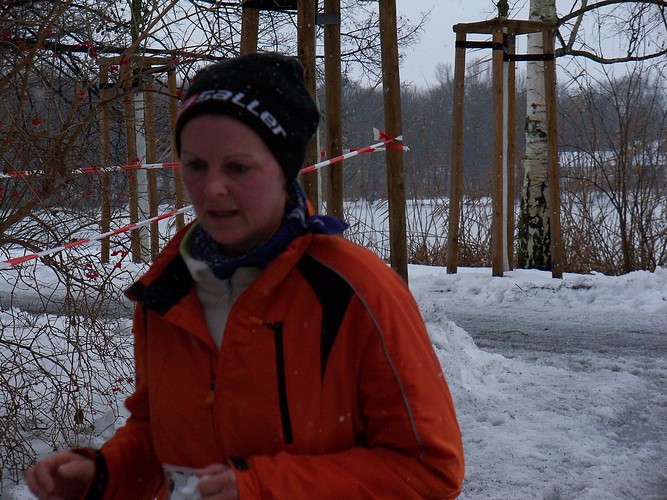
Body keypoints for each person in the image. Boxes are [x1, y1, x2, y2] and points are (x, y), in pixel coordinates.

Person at [26, 52, 464, 499]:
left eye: (238, 167)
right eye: (196, 166)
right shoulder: (168, 287)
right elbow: (162, 436)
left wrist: (261, 489)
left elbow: (430, 469)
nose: (213, 188)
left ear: (284, 170)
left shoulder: (355, 290)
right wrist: (102, 474)